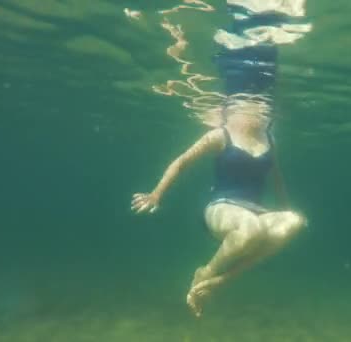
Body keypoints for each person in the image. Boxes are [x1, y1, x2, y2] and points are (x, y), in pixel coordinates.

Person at [132, 0, 309, 318]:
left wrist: (285, 205)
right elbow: (181, 161)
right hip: (221, 208)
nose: (256, 114)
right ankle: (204, 273)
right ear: (232, 107)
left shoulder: (268, 137)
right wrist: (156, 193)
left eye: (261, 110)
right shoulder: (220, 135)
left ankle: (220, 280)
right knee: (252, 230)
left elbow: (277, 175)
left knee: (295, 221)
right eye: (248, 108)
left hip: (254, 212)